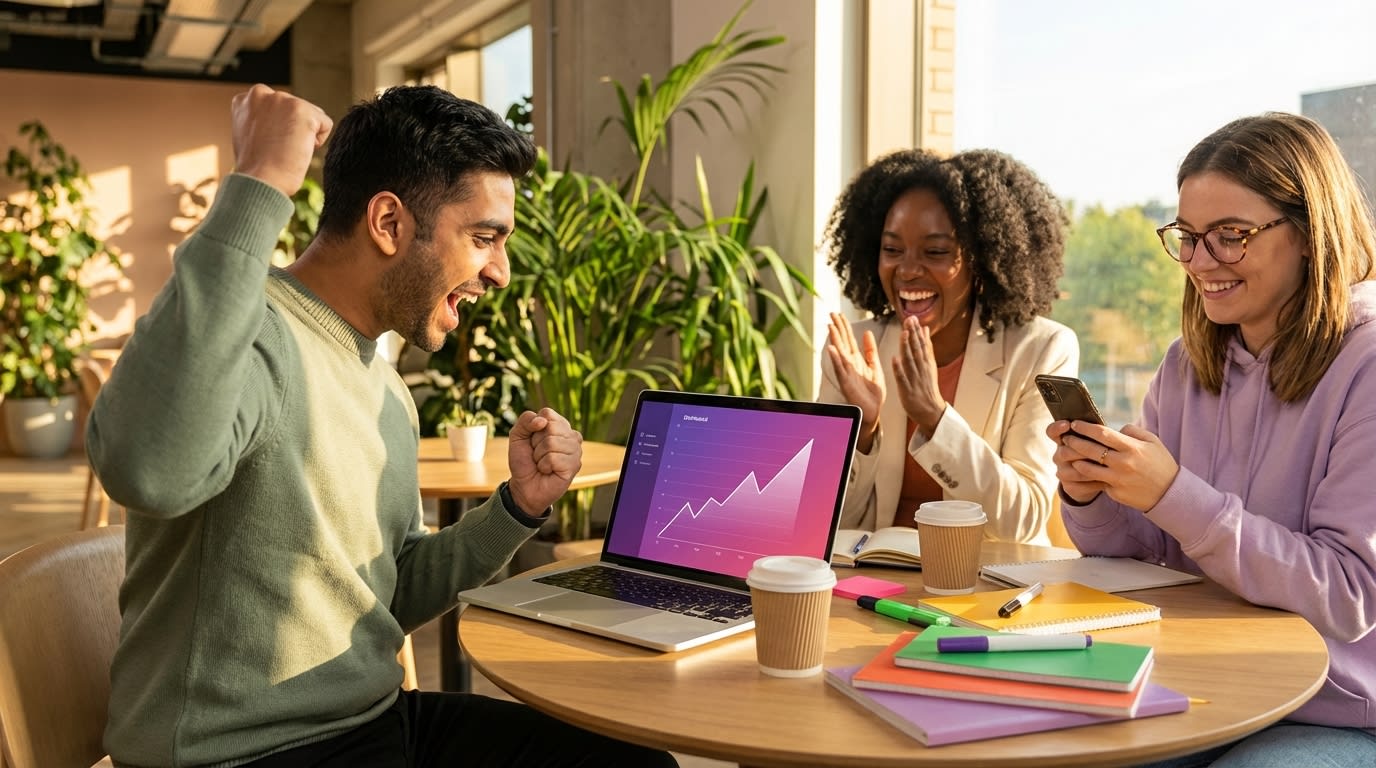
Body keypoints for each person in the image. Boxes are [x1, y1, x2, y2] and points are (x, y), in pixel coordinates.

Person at [87, 84, 677, 767]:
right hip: (246, 753)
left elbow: (384, 596)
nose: (502, 272)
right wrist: (258, 183)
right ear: (390, 223)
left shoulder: (383, 382)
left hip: (371, 721)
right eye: (485, 237)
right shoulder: (252, 335)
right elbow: (147, 469)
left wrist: (516, 508)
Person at [1049, 112, 1376, 767]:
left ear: (1311, 233)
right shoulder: (1186, 363)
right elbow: (1147, 557)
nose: (1200, 262)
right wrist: (1093, 496)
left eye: (1231, 236)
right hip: (1197, 680)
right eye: (1189, 237)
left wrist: (1174, 494)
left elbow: (1348, 595)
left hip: (1330, 707)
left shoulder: (1365, 366)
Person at [819, 147, 1078, 544]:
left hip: (986, 586)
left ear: (983, 261)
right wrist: (865, 430)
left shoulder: (1042, 350)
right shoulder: (854, 348)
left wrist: (935, 418)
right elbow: (831, 524)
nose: (906, 270)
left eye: (935, 252)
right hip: (876, 584)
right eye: (892, 250)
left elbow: (1021, 521)